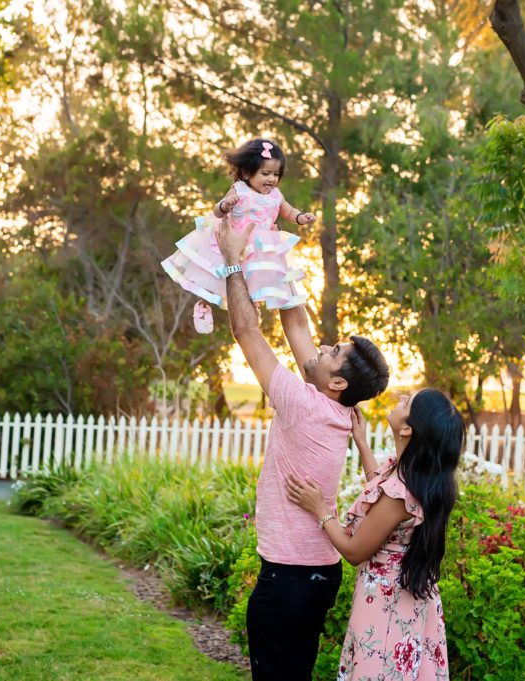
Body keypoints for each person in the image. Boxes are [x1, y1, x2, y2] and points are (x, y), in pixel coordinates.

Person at [213, 215, 390, 680]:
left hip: (289, 579)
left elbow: (247, 332)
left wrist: (233, 261)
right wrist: (272, 243)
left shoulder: (302, 405)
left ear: (335, 381)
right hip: (316, 575)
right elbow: (296, 322)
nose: (323, 346)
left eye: (333, 351)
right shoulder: (330, 406)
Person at [286, 389, 464, 681]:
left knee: (379, 671)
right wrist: (361, 442)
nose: (401, 399)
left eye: (407, 403)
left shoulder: (401, 494)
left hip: (387, 604)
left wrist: (320, 510)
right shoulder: (415, 477)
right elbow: (381, 494)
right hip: (411, 598)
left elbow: (354, 551)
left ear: (408, 428)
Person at [161, 137, 316, 333]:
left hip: (260, 247)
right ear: (246, 172)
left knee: (254, 280)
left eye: (276, 174)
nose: (271, 179)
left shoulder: (276, 195)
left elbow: (288, 211)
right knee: (214, 275)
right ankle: (203, 305)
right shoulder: (239, 190)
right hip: (235, 241)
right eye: (265, 173)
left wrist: (300, 217)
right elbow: (217, 212)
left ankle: (251, 308)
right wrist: (226, 205)